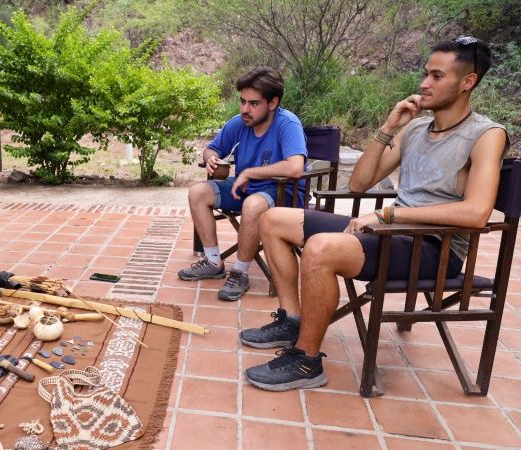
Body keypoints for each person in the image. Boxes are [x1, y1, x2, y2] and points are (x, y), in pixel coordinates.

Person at [242, 37, 510, 391]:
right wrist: (389, 127)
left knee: (322, 247)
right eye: (425, 74)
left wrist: (387, 214)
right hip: (392, 232)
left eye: (436, 76)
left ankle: (307, 361)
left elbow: (477, 213)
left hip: (433, 247)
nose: (424, 83)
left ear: (467, 82)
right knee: (274, 219)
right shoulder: (415, 129)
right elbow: (360, 183)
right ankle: (293, 319)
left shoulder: (486, 134)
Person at [178, 68, 307, 301]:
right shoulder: (239, 123)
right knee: (198, 192)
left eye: (254, 103)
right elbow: (212, 148)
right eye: (242, 102)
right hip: (246, 188)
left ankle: (240, 272)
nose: (245, 109)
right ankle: (213, 261)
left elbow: (295, 167)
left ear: (273, 102)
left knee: (253, 205)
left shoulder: (288, 124)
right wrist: (211, 158)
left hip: (282, 193)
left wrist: (249, 172)